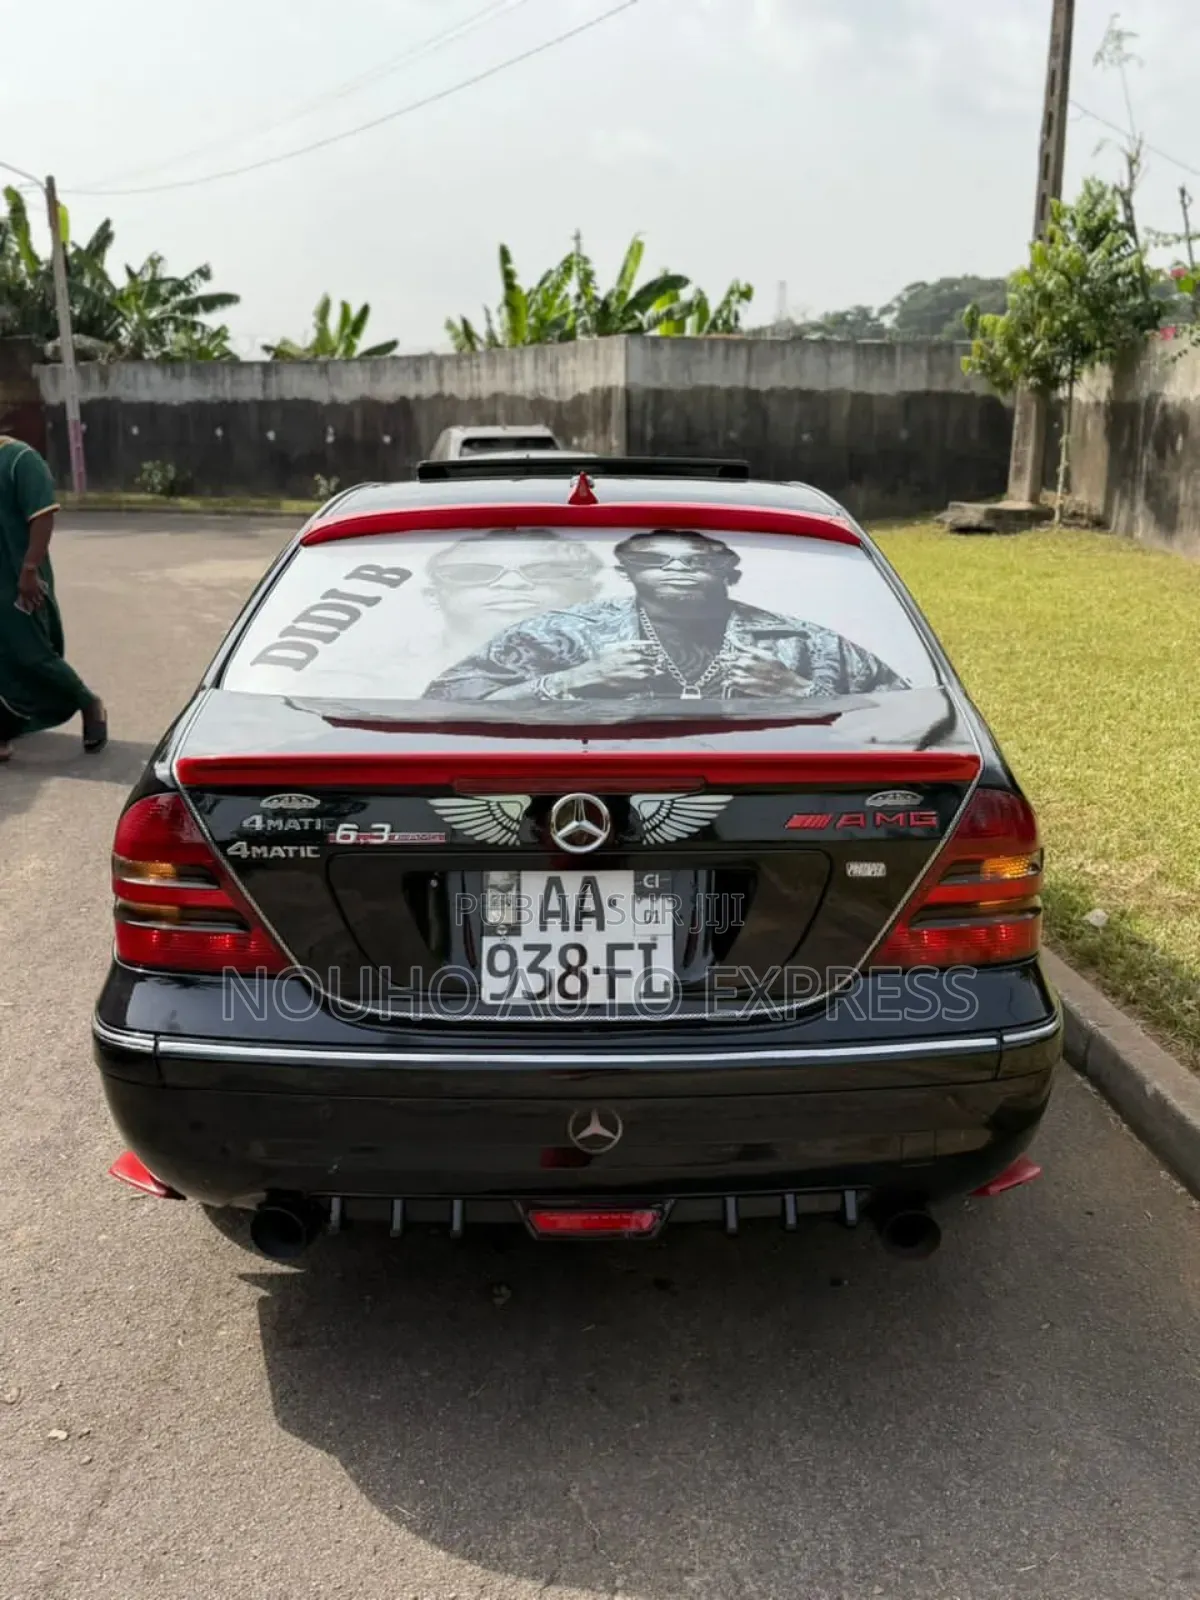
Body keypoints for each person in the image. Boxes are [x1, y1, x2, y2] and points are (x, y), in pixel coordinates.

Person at [422, 529, 904, 703]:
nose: (677, 570)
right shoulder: (556, 634)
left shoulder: (808, 643)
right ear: (627, 573)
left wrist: (802, 691)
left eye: (698, 562)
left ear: (729, 573)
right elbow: (443, 703)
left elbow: (915, 722)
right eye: (655, 561)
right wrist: (571, 681)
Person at [0, 432, 106, 761]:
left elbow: (42, 516)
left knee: (33, 654)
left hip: (19, 576)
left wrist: (30, 569)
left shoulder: (20, 459)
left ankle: (88, 703)